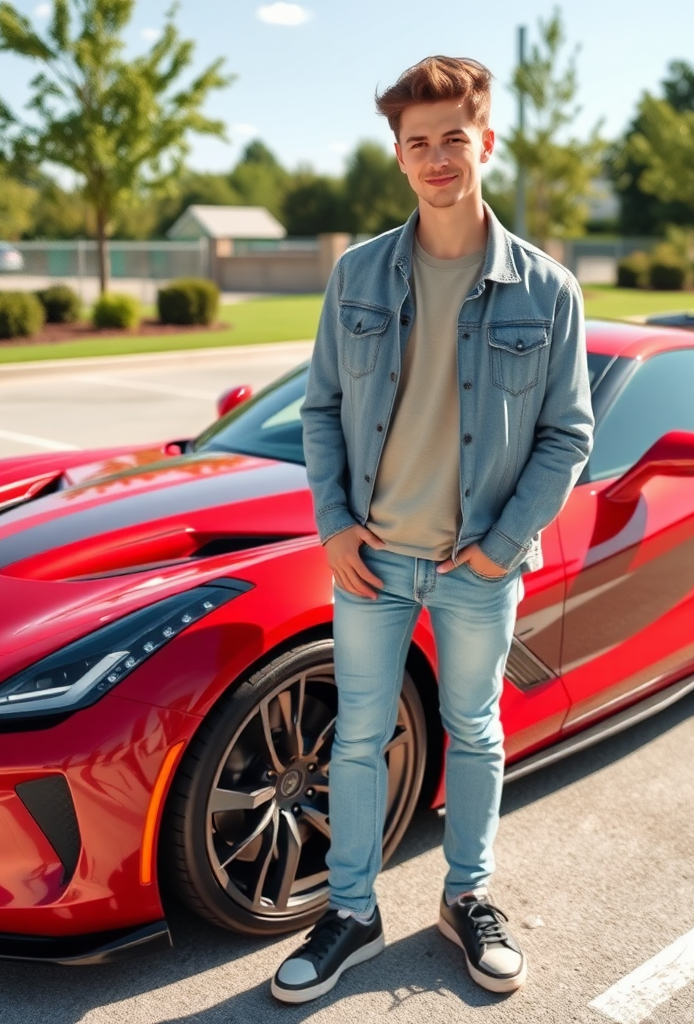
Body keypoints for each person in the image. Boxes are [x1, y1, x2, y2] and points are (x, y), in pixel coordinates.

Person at [273, 55, 593, 1004]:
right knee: (359, 735)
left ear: (485, 142)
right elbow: (322, 410)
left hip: (476, 566)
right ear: (400, 158)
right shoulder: (357, 274)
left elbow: (569, 434)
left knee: (475, 731)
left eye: (455, 137)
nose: (437, 157)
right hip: (371, 559)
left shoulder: (548, 290)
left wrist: (500, 547)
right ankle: (351, 913)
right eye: (419, 143)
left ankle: (467, 899)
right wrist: (333, 526)